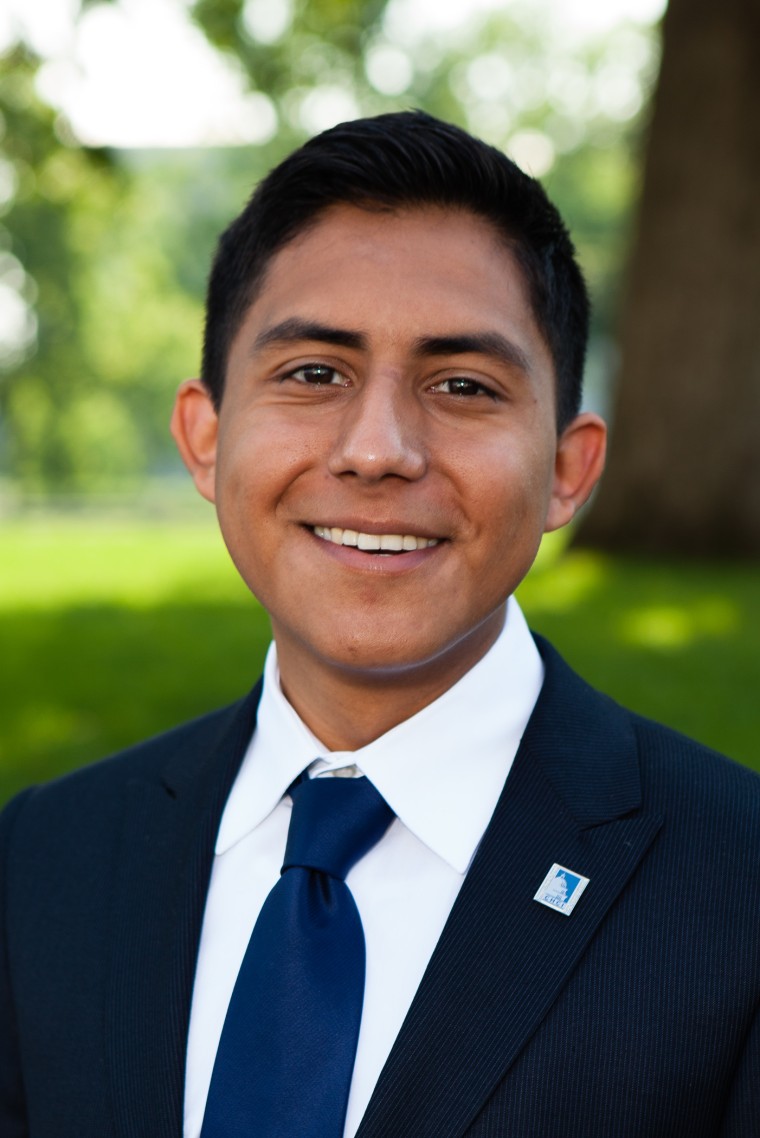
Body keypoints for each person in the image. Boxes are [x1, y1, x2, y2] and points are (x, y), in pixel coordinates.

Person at [1, 111, 758, 1138]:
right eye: (315, 373)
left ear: (567, 470)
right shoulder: (43, 858)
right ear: (207, 438)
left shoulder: (733, 888)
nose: (377, 449)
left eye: (462, 385)